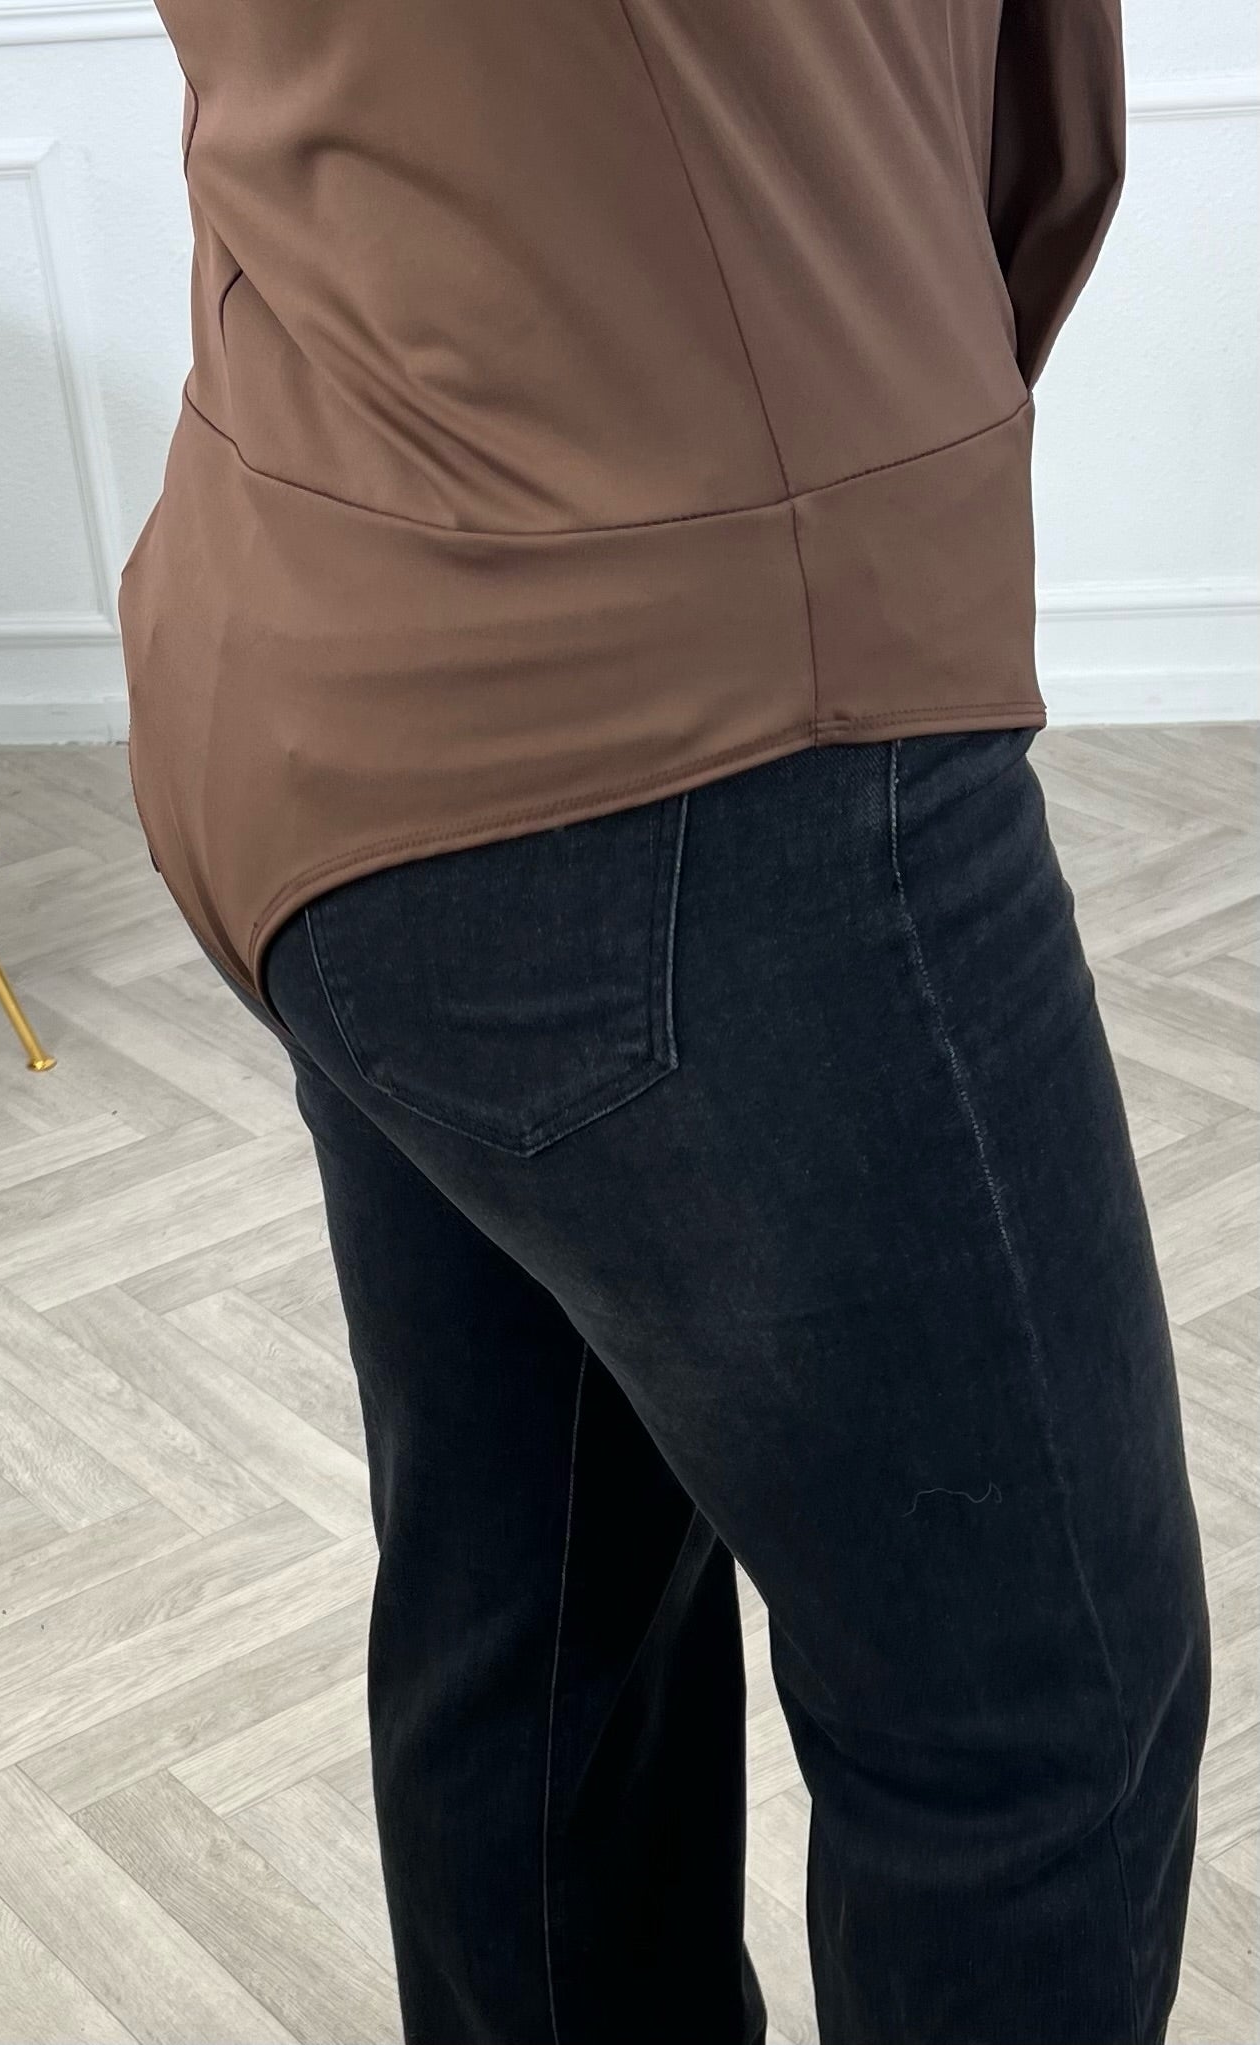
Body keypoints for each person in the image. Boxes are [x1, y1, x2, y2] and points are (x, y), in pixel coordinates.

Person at [119, 4, 1211, 2039]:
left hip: (307, 648)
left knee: (540, 1629)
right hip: (695, 716)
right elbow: (1028, 149)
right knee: (1034, 1721)